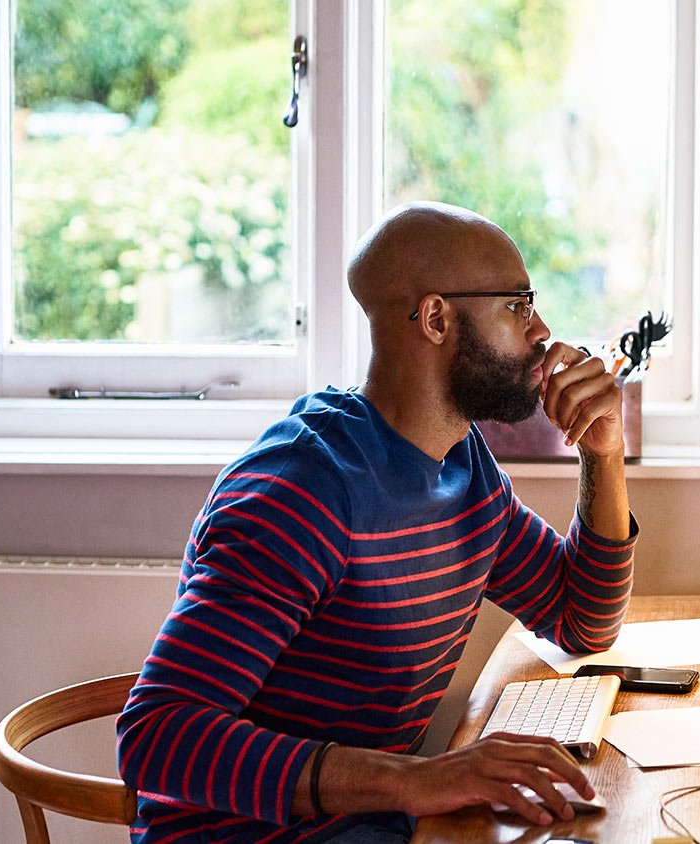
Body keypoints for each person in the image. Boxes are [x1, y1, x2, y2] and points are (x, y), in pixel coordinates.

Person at [117, 201, 636, 843]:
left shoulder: (462, 465)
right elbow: (156, 736)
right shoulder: (302, 492)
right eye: (519, 306)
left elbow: (582, 620)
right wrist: (413, 780)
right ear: (437, 318)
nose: (542, 332)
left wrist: (603, 451)